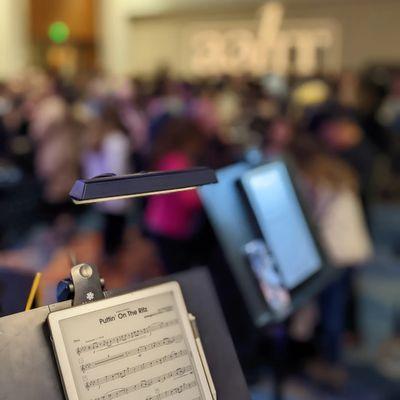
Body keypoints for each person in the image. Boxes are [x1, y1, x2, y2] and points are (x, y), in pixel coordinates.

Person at [144, 117, 206, 273]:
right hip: (169, 227)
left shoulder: (169, 157)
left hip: (160, 222)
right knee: (176, 268)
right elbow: (189, 199)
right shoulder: (177, 162)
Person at [81, 105, 132, 261]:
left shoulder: (97, 137)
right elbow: (117, 168)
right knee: (115, 225)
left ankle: (109, 252)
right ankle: (113, 254)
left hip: (100, 189)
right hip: (115, 189)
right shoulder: (116, 139)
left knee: (108, 224)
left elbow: (88, 166)